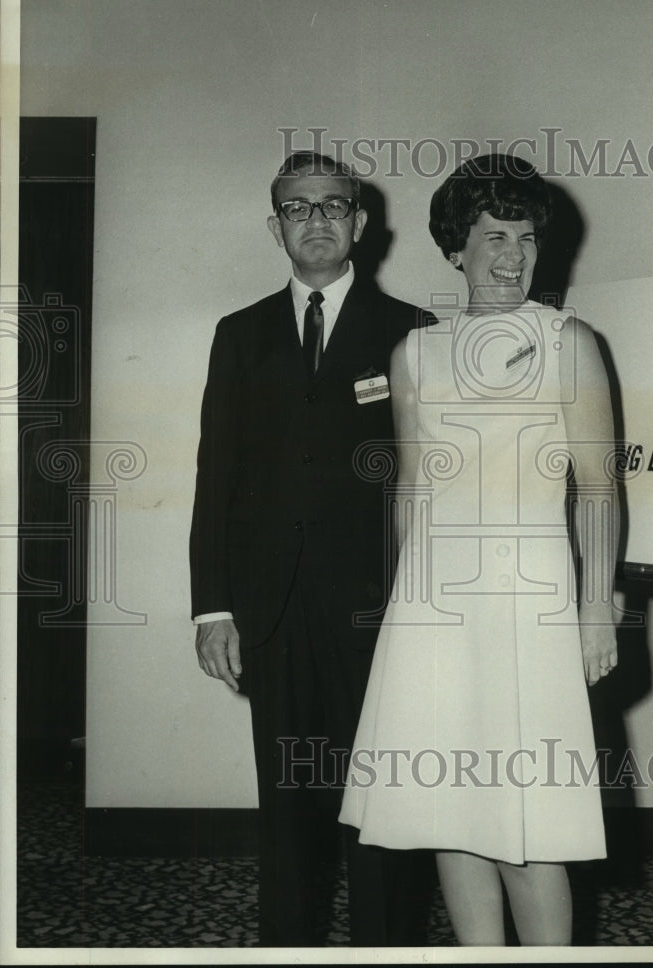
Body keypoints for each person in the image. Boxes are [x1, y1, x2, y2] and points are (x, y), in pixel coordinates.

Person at [339, 153, 619, 946]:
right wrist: (404, 612)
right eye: (493, 235)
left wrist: (596, 607)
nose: (511, 254)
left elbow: (598, 487)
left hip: (530, 607)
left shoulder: (568, 342)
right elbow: (412, 492)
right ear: (456, 248)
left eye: (525, 237)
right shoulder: (416, 355)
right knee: (449, 815)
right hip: (436, 611)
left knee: (525, 827)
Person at [190, 151, 432, 946]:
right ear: (276, 227)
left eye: (334, 206)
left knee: (381, 805)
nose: (318, 220)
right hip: (272, 613)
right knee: (289, 809)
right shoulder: (240, 335)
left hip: (379, 611)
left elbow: (434, 486)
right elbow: (214, 476)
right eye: (299, 208)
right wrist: (213, 607)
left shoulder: (411, 334)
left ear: (360, 223)